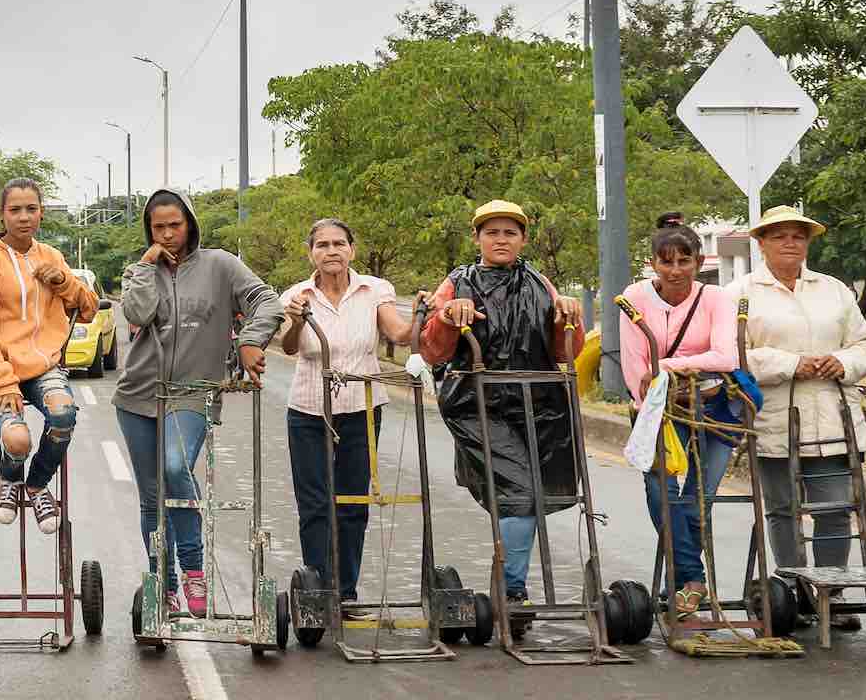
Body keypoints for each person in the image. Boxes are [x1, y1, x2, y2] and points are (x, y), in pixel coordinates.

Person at [416, 199, 584, 640]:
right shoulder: (457, 283)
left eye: (510, 232)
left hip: (538, 404)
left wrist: (569, 318)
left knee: (536, 494)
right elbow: (432, 350)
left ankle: (510, 587)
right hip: (476, 404)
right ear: (477, 239)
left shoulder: (541, 284)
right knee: (519, 492)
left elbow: (566, 351)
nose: (501, 240)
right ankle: (511, 590)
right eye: (492, 232)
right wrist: (447, 318)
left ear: (523, 239)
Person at [117, 188, 277, 617]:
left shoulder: (220, 265)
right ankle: (164, 583)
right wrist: (146, 266)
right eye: (159, 227)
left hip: (194, 392)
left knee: (175, 467)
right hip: (137, 394)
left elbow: (266, 300)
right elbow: (137, 314)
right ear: (149, 230)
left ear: (190, 223)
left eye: (175, 225)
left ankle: (192, 569)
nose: (168, 234)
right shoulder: (138, 271)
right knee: (152, 498)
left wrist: (250, 340)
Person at [730, 205, 866, 629]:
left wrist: (841, 362)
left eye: (798, 236)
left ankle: (831, 591)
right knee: (783, 509)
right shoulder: (740, 293)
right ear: (761, 243)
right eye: (779, 236)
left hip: (832, 414)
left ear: (808, 243)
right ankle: (793, 592)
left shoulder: (833, 290)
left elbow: (864, 345)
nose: (790, 243)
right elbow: (734, 354)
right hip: (775, 415)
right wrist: (791, 363)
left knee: (835, 507)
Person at [272, 218, 408, 615]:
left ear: (352, 249)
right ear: (310, 253)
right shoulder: (297, 294)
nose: (331, 251)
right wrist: (298, 321)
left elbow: (398, 334)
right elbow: (290, 347)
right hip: (309, 408)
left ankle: (345, 592)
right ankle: (317, 589)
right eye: (322, 245)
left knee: (353, 502)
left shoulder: (374, 290)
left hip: (362, 407)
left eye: (338, 243)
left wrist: (425, 317)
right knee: (315, 503)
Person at [614, 218, 741, 615]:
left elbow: (727, 357)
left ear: (699, 262)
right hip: (657, 410)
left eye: (684, 261)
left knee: (698, 499)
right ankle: (692, 578)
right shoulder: (634, 298)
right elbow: (636, 371)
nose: (675, 271)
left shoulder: (716, 298)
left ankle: (684, 578)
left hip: (715, 407)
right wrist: (664, 386)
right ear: (653, 263)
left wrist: (666, 366)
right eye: (666, 262)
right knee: (661, 493)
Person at [0, 179, 98, 537]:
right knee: (18, 440)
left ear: (41, 213)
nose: (24, 217)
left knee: (63, 414)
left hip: (42, 367)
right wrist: (3, 380)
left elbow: (87, 309)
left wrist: (64, 281)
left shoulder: (50, 255)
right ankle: (9, 476)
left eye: (31, 209)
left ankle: (36, 485)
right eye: (15, 210)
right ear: (2, 214)